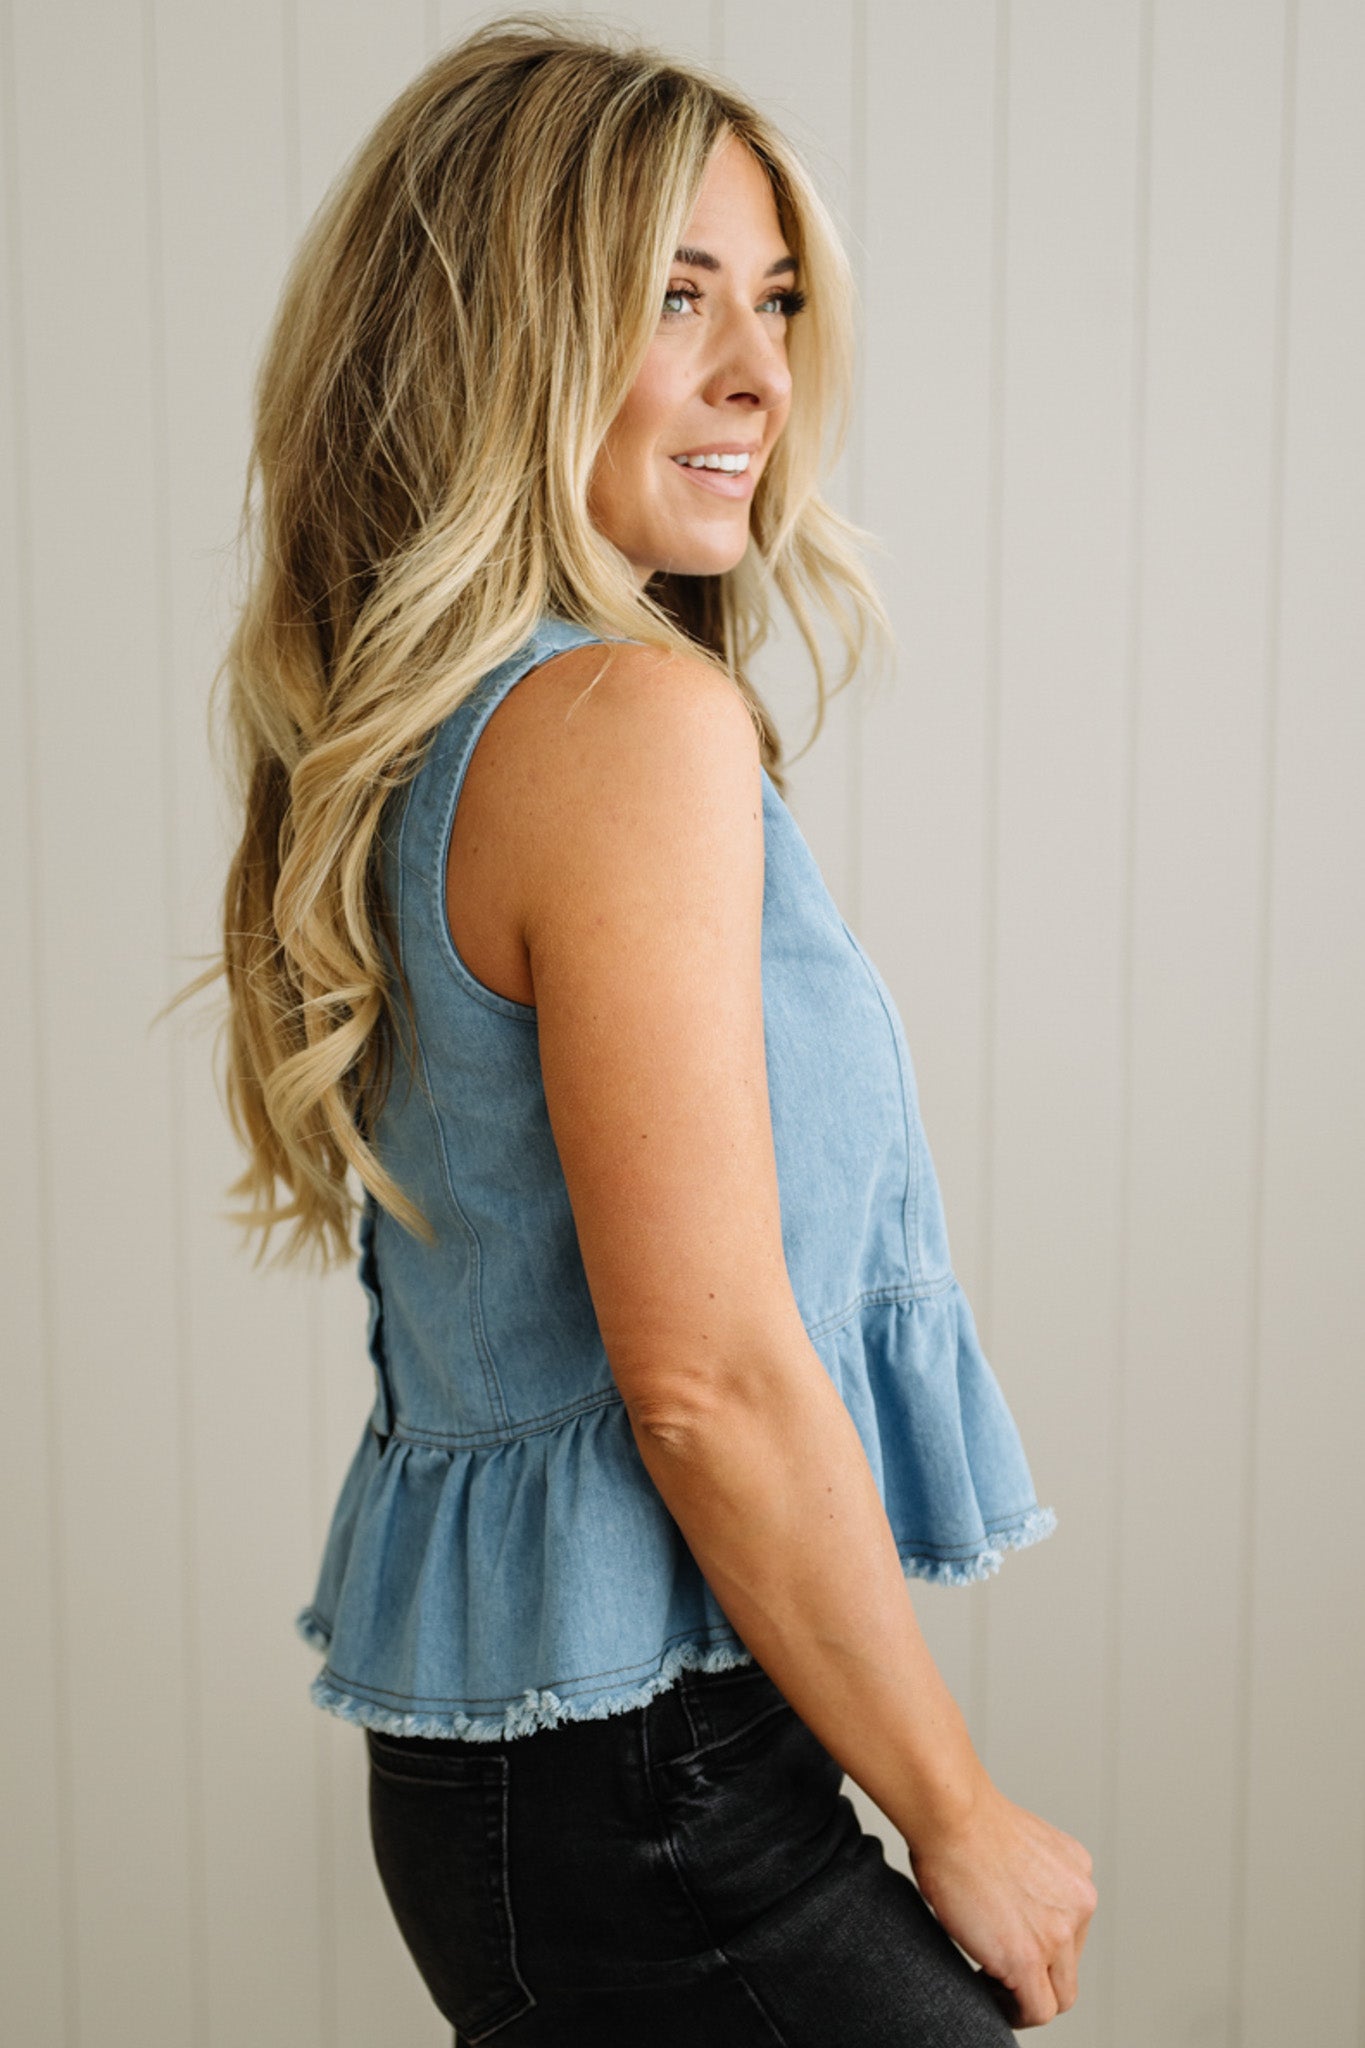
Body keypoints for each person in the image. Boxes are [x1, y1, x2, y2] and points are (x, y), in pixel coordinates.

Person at [203, 13, 1096, 2041]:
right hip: (651, 1791)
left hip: (558, 1775)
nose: (758, 375)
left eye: (772, 300)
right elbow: (698, 1378)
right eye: (671, 297)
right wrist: (953, 1808)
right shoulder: (616, 721)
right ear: (494, 335)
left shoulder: (455, 721)